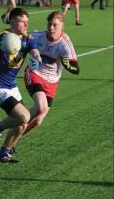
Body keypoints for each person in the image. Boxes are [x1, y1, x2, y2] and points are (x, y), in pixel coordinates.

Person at [0, 8, 42, 163]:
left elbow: (34, 52)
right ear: (12, 22)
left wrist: (36, 59)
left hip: (12, 86)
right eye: (22, 21)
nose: (26, 24)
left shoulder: (27, 39)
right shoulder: (1, 36)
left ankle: (3, 153)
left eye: (27, 21)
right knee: (24, 116)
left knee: (22, 123)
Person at [14, 11, 80, 150]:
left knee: (38, 120)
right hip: (35, 73)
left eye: (55, 25)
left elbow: (76, 68)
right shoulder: (37, 36)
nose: (51, 28)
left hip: (52, 82)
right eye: (49, 24)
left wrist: (68, 64)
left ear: (62, 26)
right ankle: (9, 139)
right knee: (41, 107)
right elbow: (19, 41)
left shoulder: (65, 43)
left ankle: (14, 137)